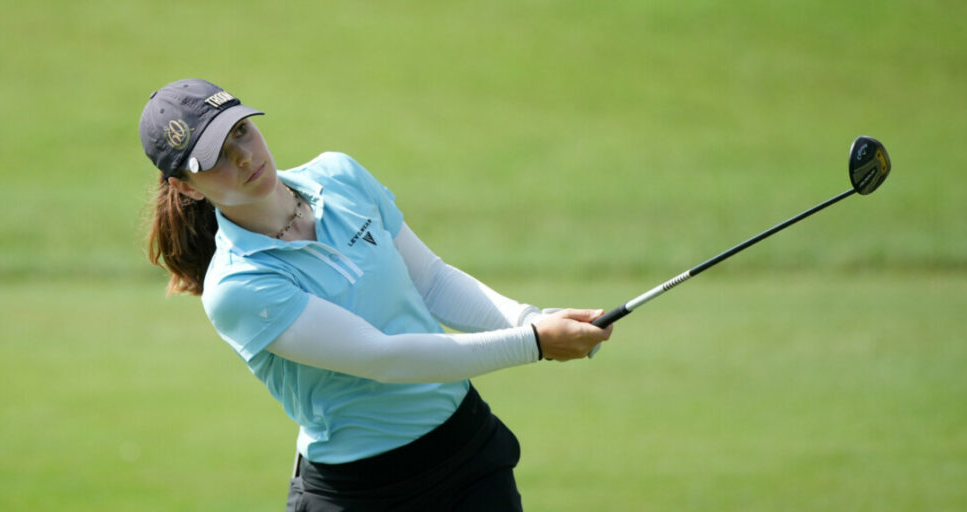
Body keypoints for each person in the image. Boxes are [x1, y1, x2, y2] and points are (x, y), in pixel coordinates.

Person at [139, 78, 613, 511]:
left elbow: (432, 280)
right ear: (186, 187)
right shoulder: (236, 285)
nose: (243, 157)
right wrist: (534, 342)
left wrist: (530, 319)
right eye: (216, 158)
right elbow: (382, 357)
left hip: (469, 453)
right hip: (362, 493)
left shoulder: (338, 175)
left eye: (241, 131)